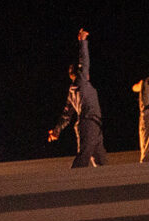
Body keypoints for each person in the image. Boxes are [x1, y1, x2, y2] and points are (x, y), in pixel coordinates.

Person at [48, 29, 107, 168]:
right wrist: (83, 41)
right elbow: (84, 60)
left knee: (101, 161)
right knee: (85, 154)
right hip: (89, 123)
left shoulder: (72, 92)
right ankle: (72, 182)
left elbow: (66, 116)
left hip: (94, 125)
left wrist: (57, 130)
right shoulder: (81, 80)